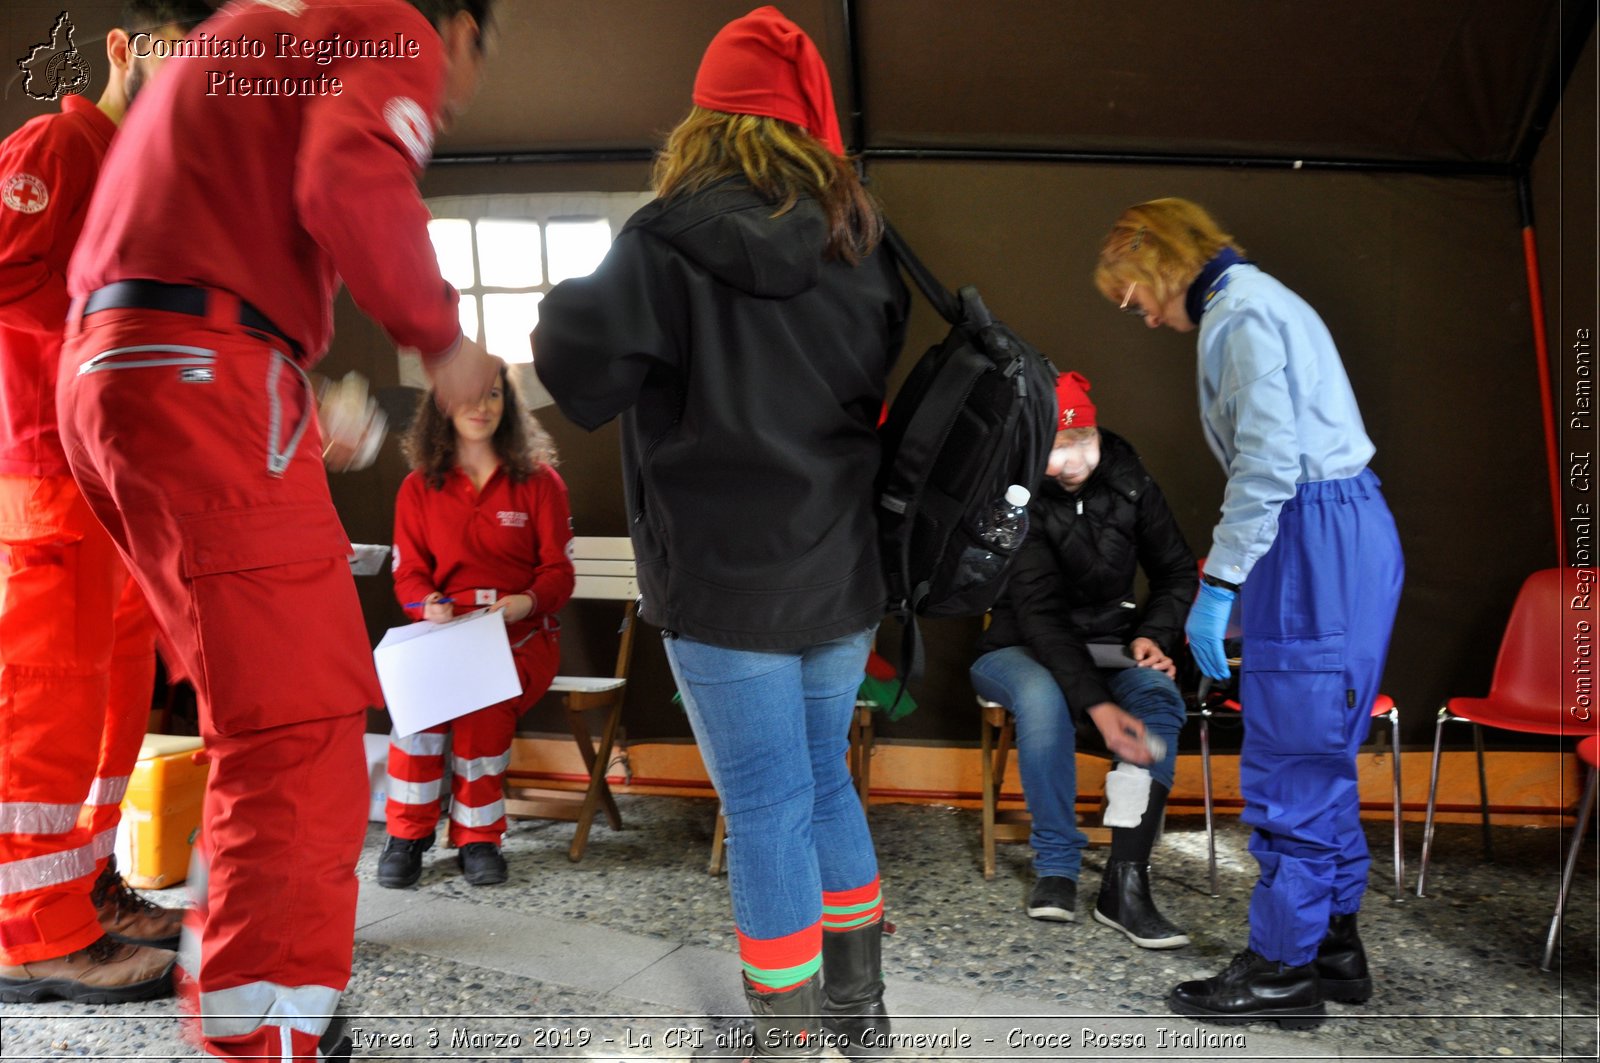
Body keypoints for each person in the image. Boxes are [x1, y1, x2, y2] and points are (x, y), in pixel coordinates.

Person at [53, 0, 502, 1056]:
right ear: (467, 29)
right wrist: (440, 341)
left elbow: (181, 251)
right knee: (296, 734)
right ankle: (270, 1036)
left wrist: (282, 391)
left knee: (252, 715)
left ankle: (254, 1012)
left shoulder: (246, 38)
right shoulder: (396, 28)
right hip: (200, 369)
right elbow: (349, 178)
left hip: (114, 369)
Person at [533, 9, 907, 1058]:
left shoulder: (662, 241)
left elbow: (576, 371)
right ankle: (859, 1018)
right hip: (836, 570)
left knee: (766, 806)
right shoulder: (862, 240)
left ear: (705, 122)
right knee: (821, 780)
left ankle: (781, 1038)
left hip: (721, 578)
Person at [1094, 197, 1403, 1027]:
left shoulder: (1242, 315)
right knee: (1321, 755)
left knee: (1293, 757)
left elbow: (1268, 462)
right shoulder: (1261, 301)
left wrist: (1221, 582)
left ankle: (1279, 971)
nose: (1145, 316)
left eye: (1133, 294)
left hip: (1313, 533)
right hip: (1335, 529)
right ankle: (1331, 947)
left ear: (1158, 260)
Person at [0, 0, 215, 1004]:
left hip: (115, 493)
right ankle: (30, 935)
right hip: (43, 480)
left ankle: (82, 891)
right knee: (42, 714)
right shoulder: (61, 146)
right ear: (128, 49)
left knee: (105, 719)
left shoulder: (160, 184)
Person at [970, 371, 1195, 949]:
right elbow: (1042, 617)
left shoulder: (1130, 481)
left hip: (1112, 642)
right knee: (1044, 698)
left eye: (1084, 442)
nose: (1074, 462)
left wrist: (1153, 635)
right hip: (1020, 643)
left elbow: (1174, 571)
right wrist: (1097, 707)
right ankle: (1057, 865)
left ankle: (1126, 882)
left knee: (1159, 699)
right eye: (1057, 448)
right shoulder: (1015, 498)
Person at [379, 366, 574, 889]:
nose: (481, 406)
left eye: (492, 395)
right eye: (469, 395)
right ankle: (407, 835)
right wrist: (428, 605)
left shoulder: (539, 482)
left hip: (518, 636)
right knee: (414, 714)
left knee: (481, 710)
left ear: (507, 406)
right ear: (442, 406)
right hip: (443, 635)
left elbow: (559, 572)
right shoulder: (418, 486)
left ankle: (479, 838)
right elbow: (408, 573)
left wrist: (523, 603)